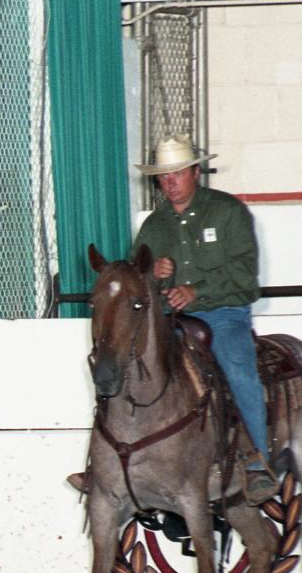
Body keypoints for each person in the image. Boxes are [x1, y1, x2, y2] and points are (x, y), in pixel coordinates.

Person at [71, 135, 276, 505]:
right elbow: (138, 286)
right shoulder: (154, 226)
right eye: (163, 177)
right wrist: (156, 278)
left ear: (195, 172)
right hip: (171, 320)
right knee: (122, 365)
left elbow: (246, 277)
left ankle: (256, 460)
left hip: (224, 315)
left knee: (236, 363)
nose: (170, 183)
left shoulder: (228, 213)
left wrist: (196, 290)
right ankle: (103, 463)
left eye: (177, 174)